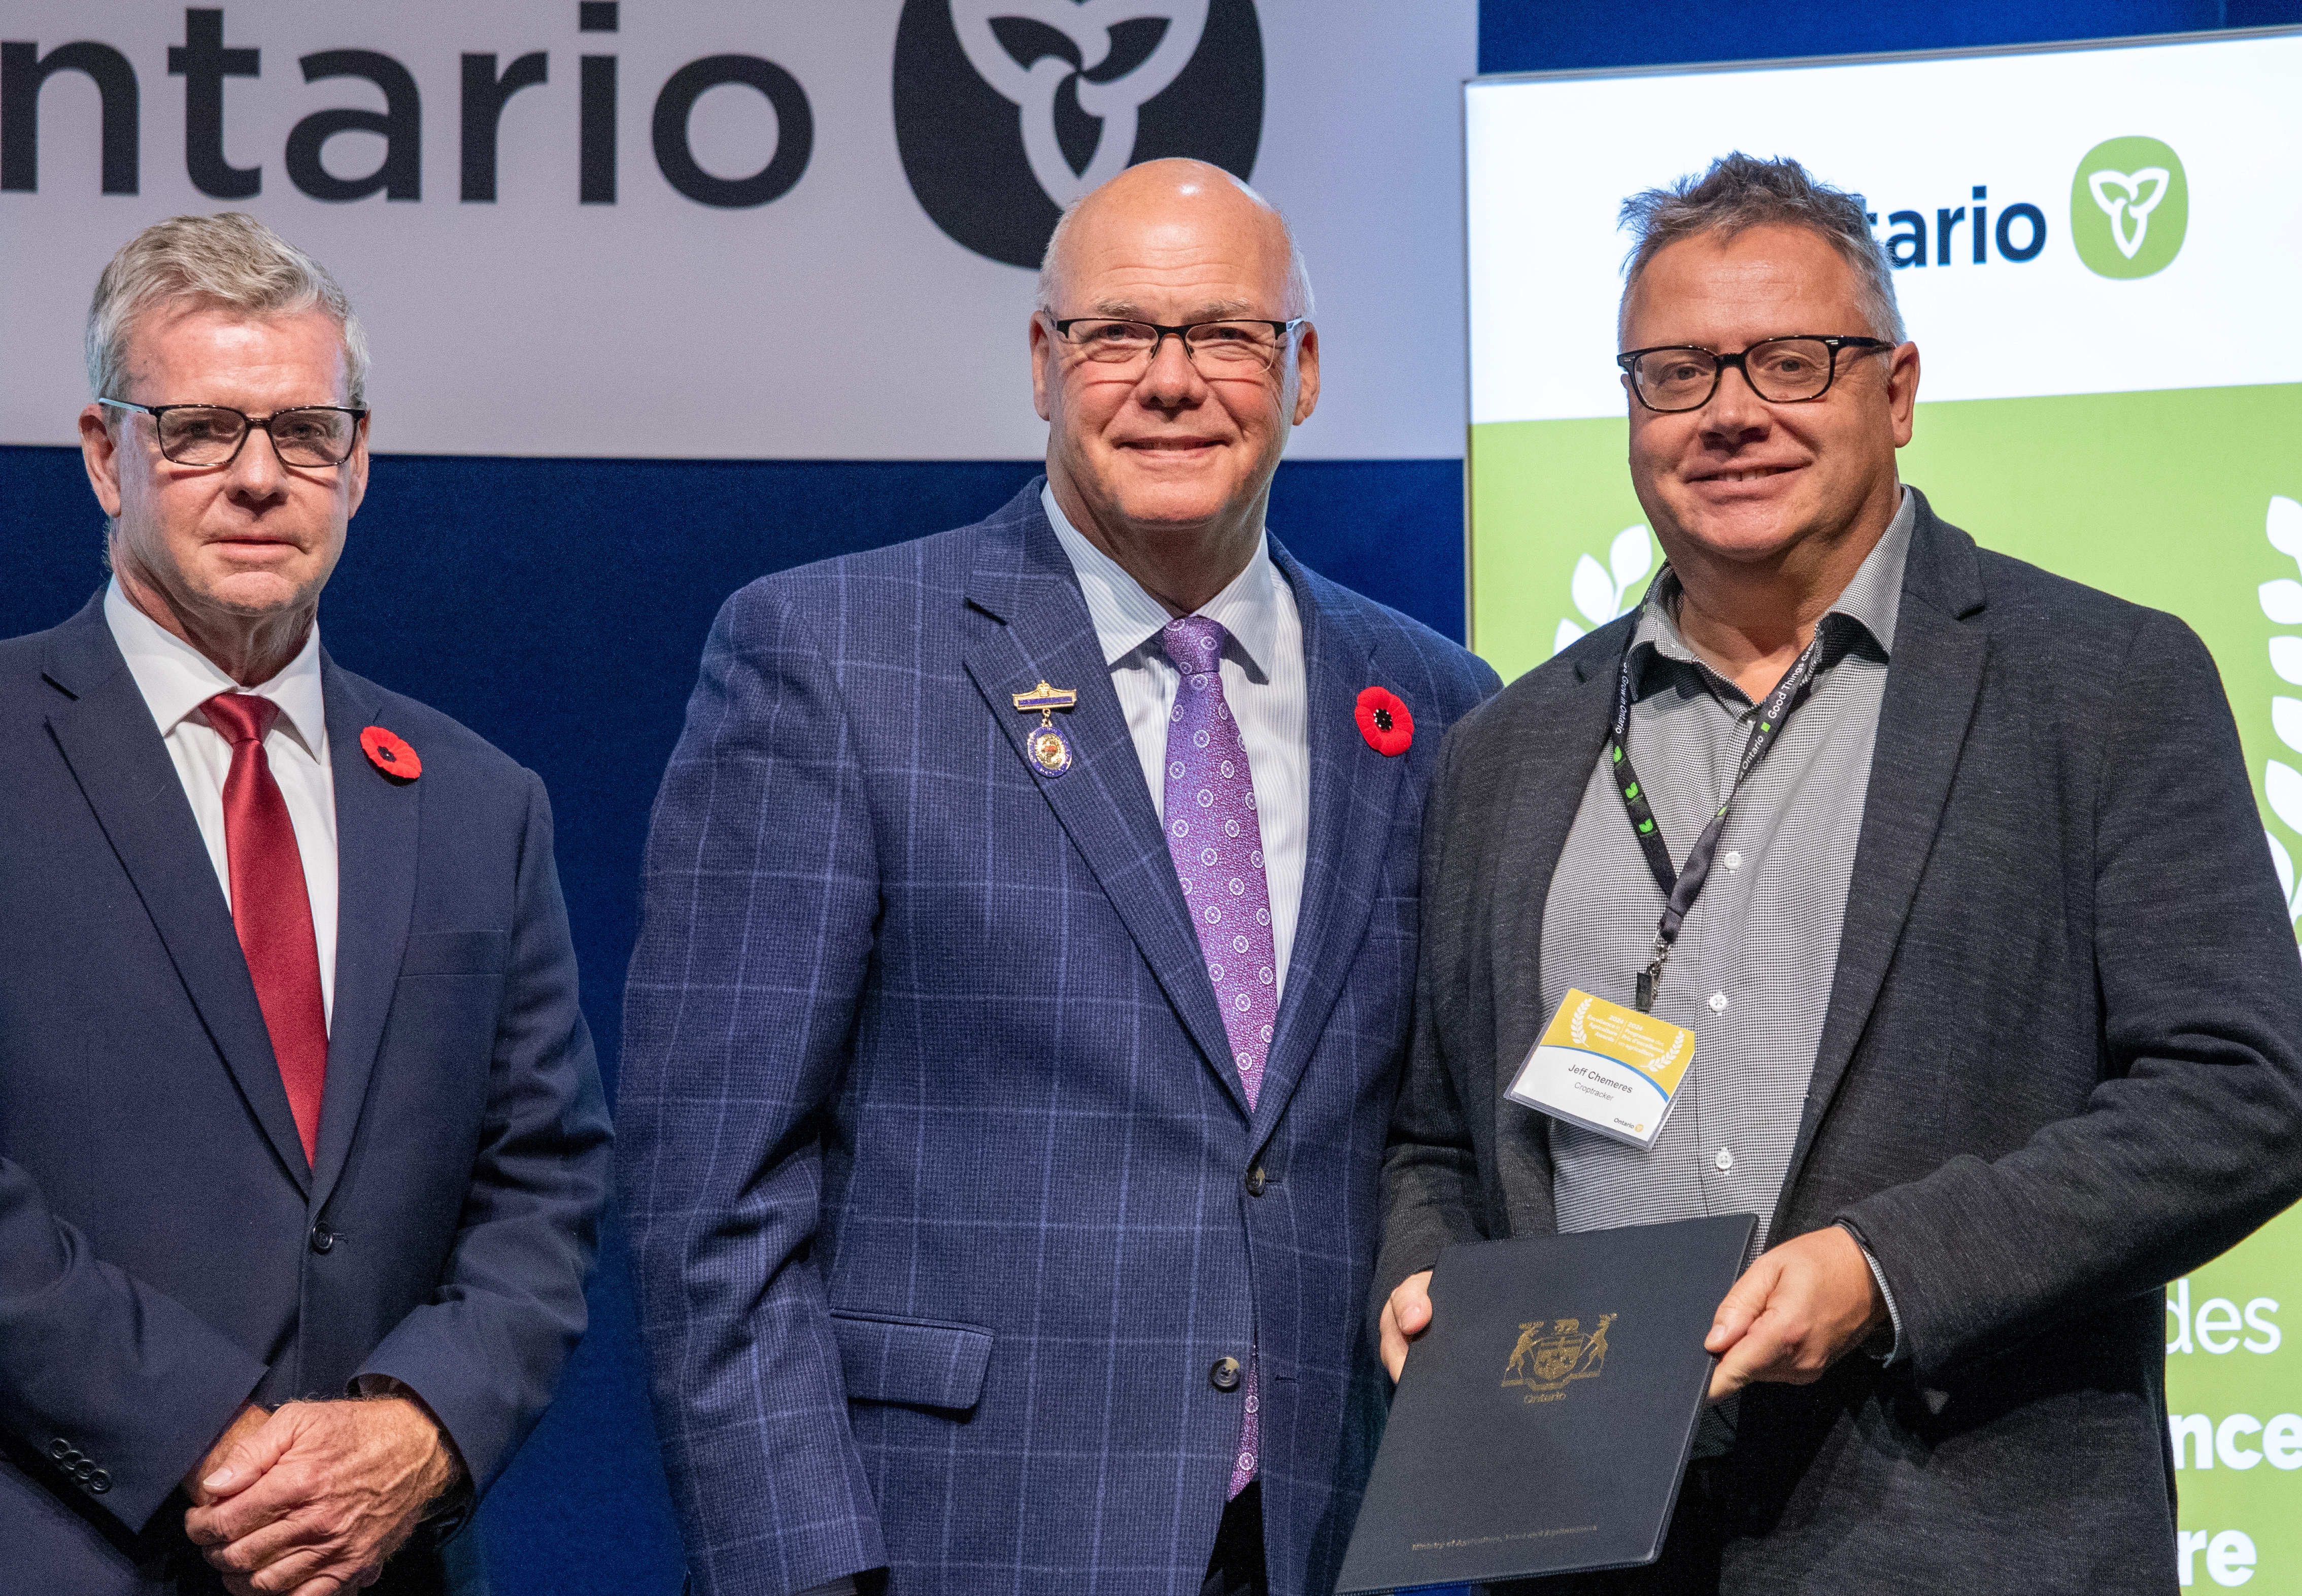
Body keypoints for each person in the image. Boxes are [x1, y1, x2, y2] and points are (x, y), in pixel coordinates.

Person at [1374, 152, 2302, 1592]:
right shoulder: (1513, 743)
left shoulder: (2102, 683)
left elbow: (2243, 1090)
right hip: (1580, 1547)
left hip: (1973, 1543)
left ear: (1899, 390)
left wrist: (1885, 1273)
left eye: (1792, 362)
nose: (1733, 411)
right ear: (1630, 411)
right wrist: (1423, 1286)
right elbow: (1436, 1139)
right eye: (1678, 373)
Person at [619, 158, 1499, 1596]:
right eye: (1120, 335)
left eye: (1225, 335)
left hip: (1329, 1541)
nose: (1172, 381)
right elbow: (713, 1191)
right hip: (956, 1539)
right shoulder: (832, 658)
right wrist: (796, 1568)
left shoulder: (1433, 702)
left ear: (1306, 374)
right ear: (1044, 362)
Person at [0, 213, 612, 1594]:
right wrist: (193, 1435)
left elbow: (546, 1184)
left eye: (305, 432)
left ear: (362, 460)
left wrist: (417, 1429)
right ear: (108, 457)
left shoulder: (476, 802)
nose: (261, 479)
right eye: (201, 429)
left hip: (382, 1564)